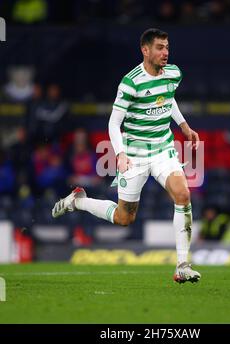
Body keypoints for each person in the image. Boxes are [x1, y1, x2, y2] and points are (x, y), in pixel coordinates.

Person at [52, 28, 201, 283]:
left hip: (163, 149)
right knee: (124, 218)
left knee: (183, 194)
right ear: (145, 50)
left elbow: (167, 98)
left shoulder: (174, 73)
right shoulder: (131, 82)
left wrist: (185, 127)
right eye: (159, 48)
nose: (165, 52)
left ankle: (183, 265)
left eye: (167, 47)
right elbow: (113, 123)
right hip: (134, 154)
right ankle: (78, 201)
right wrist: (120, 154)